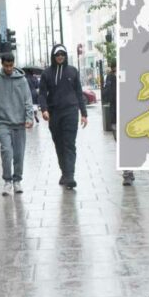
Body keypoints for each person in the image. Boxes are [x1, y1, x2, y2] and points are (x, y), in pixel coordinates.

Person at [38, 44, 89, 190]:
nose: (60, 56)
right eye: (57, 54)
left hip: (71, 111)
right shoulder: (46, 73)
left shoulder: (73, 71)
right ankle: (64, 173)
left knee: (69, 144)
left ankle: (70, 176)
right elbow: (42, 93)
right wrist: (44, 110)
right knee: (59, 145)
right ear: (53, 56)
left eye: (63, 54)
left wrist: (84, 114)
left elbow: (79, 92)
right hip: (54, 113)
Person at [0, 52, 34, 196]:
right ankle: (7, 181)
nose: (8, 68)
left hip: (19, 123)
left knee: (19, 154)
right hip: (3, 123)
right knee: (7, 152)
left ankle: (17, 180)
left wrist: (29, 118)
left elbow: (28, 101)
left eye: (11, 65)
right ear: (2, 64)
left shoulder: (22, 80)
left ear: (14, 64)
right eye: (6, 66)